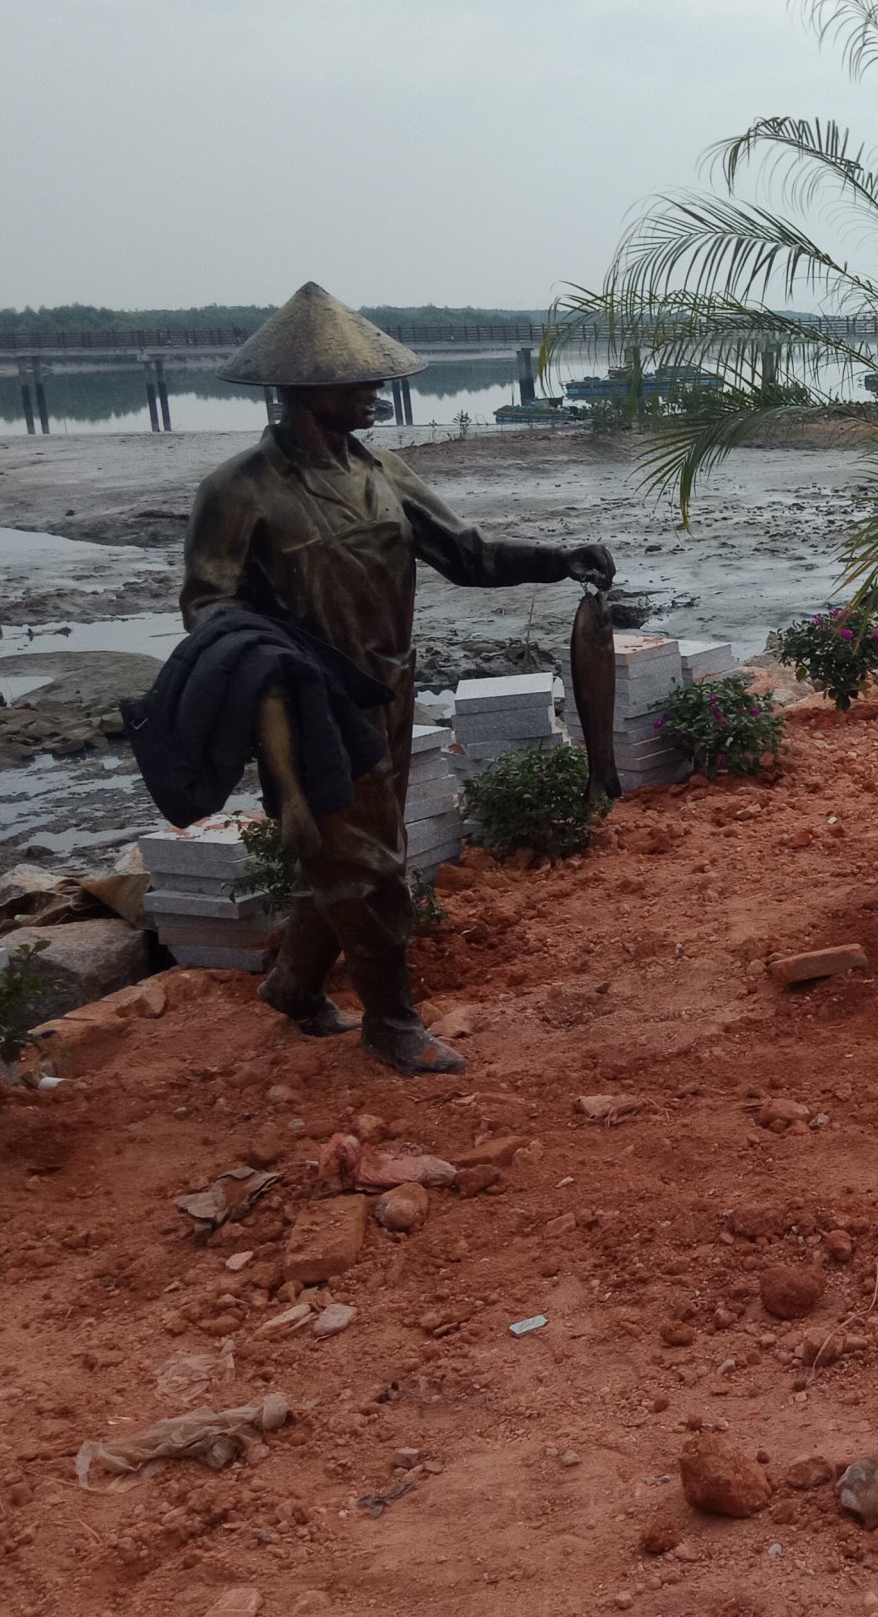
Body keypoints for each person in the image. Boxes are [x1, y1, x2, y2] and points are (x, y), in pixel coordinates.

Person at [181, 283, 613, 1073]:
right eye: (359, 379)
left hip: (391, 688)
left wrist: (557, 561)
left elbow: (467, 554)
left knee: (356, 850)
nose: (377, 389)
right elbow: (208, 610)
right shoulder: (239, 491)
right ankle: (391, 1022)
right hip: (309, 707)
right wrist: (272, 667)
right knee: (368, 864)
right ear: (306, 388)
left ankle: (294, 986)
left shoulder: (384, 470)